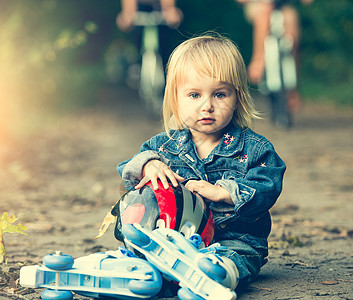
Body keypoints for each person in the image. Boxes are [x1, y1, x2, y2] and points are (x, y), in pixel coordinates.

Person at [117, 33, 286, 294]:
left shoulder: (255, 148)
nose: (207, 106)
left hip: (234, 240)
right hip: (175, 237)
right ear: (175, 99)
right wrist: (148, 165)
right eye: (194, 95)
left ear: (237, 97)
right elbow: (128, 169)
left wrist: (225, 192)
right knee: (155, 245)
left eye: (220, 94)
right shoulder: (163, 146)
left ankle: (217, 275)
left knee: (234, 258)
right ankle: (143, 271)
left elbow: (268, 185)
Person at [236, 0, 314, 111]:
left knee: (292, 34)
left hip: (283, 7)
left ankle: (293, 86)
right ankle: (258, 60)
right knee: (264, 13)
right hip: (258, 6)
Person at [116, 0, 183, 69]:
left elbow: (170, 10)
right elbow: (127, 13)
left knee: (165, 47)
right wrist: (127, 14)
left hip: (159, 9)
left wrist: (170, 11)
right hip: (139, 11)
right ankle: (135, 67)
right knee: (135, 48)